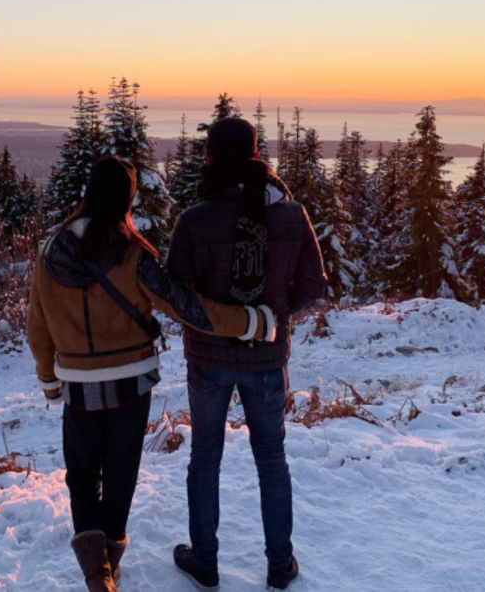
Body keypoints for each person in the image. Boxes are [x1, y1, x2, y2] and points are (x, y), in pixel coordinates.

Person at [27, 156, 275, 592]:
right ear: (127, 199)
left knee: (83, 476)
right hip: (131, 380)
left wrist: (49, 377)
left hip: (78, 385)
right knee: (121, 471)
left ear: (87, 192)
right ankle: (109, 564)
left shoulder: (51, 252)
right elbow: (187, 306)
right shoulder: (133, 254)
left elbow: (38, 323)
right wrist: (250, 322)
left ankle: (97, 573)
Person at [166, 117, 327, 590]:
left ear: (211, 156)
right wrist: (273, 318)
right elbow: (314, 284)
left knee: (206, 458)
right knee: (271, 459)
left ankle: (207, 563)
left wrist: (222, 323)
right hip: (266, 361)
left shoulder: (194, 219)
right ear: (257, 154)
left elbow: (176, 294)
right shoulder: (291, 214)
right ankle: (280, 565)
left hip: (208, 359)